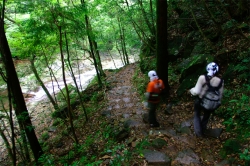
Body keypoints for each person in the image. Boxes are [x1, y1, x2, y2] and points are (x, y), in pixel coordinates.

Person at [189, 62, 224, 137]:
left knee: (197, 114)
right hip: (211, 103)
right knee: (206, 115)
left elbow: (196, 91)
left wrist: (191, 90)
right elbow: (220, 96)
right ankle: (203, 129)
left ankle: (198, 133)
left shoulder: (202, 78)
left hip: (201, 100)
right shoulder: (220, 81)